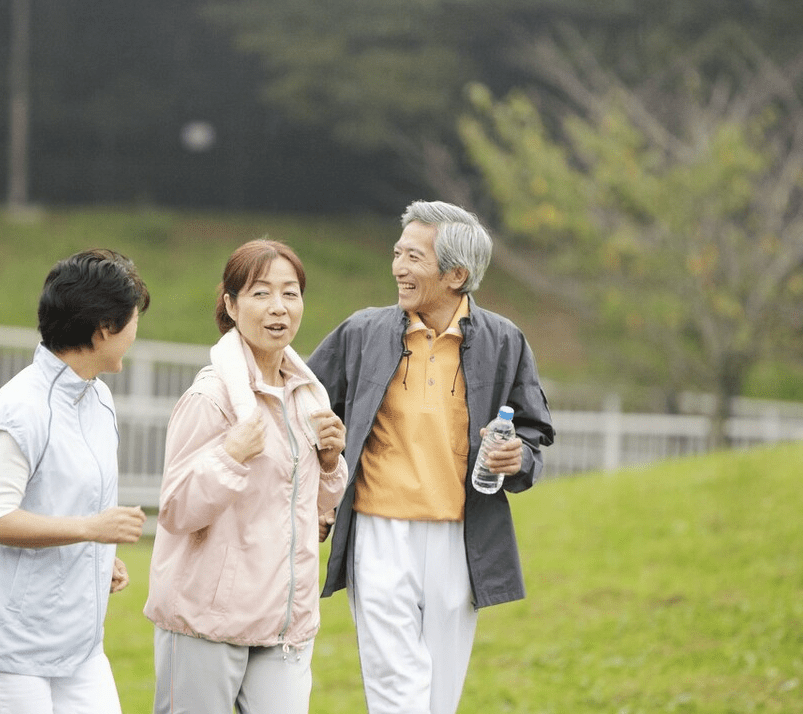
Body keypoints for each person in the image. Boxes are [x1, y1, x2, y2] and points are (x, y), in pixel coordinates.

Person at [308, 200, 556, 714]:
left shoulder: (505, 341)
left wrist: (518, 457)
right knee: (395, 685)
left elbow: (533, 432)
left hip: (459, 536)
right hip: (378, 533)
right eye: (398, 253)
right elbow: (304, 403)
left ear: (457, 274)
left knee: (440, 694)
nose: (399, 266)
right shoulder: (362, 332)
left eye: (414, 257)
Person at [144, 239, 349, 714]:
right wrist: (230, 456)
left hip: (285, 625)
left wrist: (330, 461)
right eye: (261, 293)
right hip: (206, 624)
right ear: (232, 306)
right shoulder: (211, 398)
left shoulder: (306, 397)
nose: (278, 307)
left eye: (290, 293)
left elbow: (313, 505)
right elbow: (175, 509)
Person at [0, 248, 151, 714]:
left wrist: (100, 557)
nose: (136, 332)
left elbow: (70, 500)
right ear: (103, 330)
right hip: (9, 643)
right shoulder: (20, 409)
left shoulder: (98, 399)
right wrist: (90, 531)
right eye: (133, 321)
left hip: (77, 641)